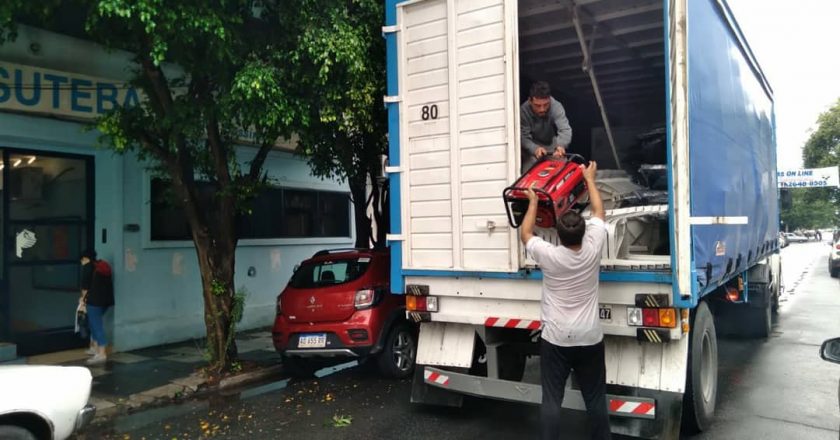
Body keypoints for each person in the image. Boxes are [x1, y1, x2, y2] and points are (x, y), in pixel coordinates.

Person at [519, 161, 611, 440]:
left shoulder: (550, 256)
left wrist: (533, 201)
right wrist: (589, 178)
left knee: (551, 401)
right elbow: (599, 212)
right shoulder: (593, 247)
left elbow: (526, 234)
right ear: (584, 232)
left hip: (556, 338)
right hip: (589, 337)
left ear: (557, 235)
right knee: (595, 398)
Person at [521, 81, 573, 173]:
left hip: (551, 144)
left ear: (549, 99)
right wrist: (534, 149)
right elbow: (523, 137)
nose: (542, 109)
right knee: (528, 170)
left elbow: (565, 129)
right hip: (531, 146)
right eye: (538, 106)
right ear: (530, 101)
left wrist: (561, 145)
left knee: (563, 167)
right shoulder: (523, 111)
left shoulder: (556, 106)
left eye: (546, 105)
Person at [80, 249, 114, 365]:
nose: (81, 262)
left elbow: (85, 288)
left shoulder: (87, 267)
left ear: (85, 258)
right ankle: (94, 348)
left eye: (82, 259)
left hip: (94, 302)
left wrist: (82, 301)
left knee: (96, 325)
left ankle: (101, 353)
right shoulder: (101, 266)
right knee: (93, 323)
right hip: (106, 301)